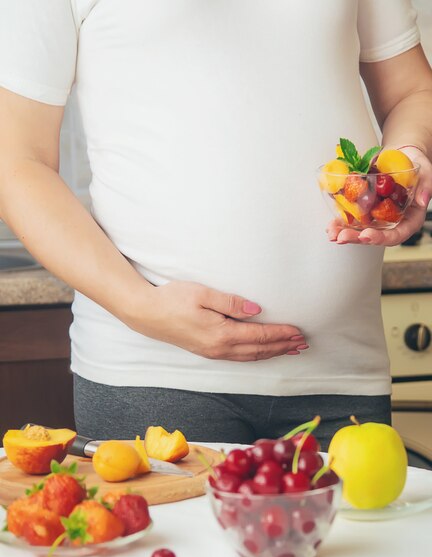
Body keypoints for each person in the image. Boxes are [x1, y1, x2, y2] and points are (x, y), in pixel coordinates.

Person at [0, 1, 431, 449]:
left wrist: (409, 163)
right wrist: (140, 308)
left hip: (344, 375)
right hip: (153, 374)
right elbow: (16, 163)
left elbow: (411, 92)